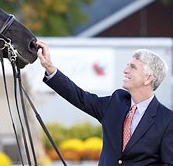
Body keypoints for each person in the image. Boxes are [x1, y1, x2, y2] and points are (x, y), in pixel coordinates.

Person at [36, 41, 173, 165]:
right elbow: (80, 97)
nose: (125, 70)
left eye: (133, 67)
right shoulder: (115, 103)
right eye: (127, 66)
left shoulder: (167, 120)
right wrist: (49, 67)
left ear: (148, 78)